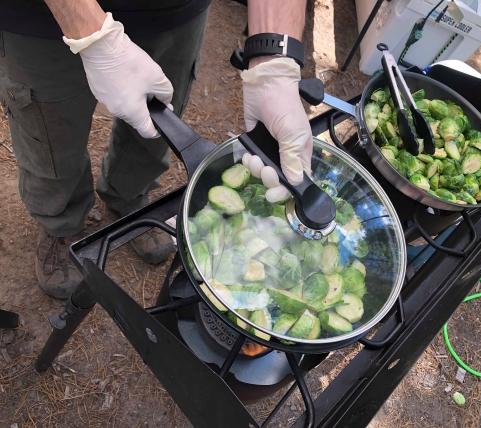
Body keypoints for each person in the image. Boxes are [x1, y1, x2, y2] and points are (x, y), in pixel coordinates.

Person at [0, 0, 312, 299]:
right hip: (40, 18)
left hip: (174, 12)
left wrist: (274, 63)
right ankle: (62, 223)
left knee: (156, 124)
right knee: (51, 136)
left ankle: (130, 196)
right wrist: (93, 36)